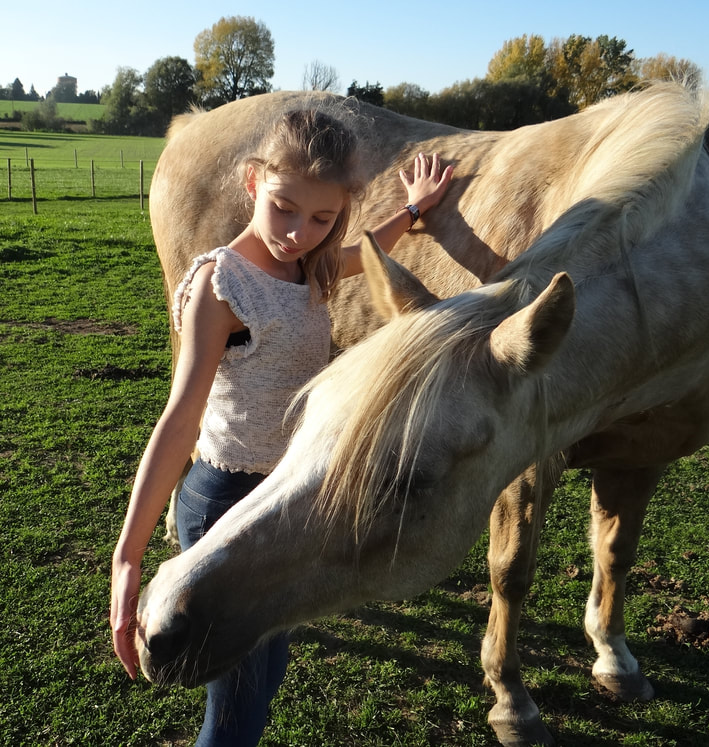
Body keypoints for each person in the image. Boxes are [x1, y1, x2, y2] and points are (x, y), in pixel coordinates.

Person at [110, 108, 453, 746]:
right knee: (235, 710)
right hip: (222, 501)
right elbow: (181, 415)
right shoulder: (221, 283)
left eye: (322, 217)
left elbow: (355, 257)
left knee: (265, 679)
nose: (298, 233)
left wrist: (414, 209)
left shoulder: (308, 266)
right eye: (284, 207)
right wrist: (129, 555)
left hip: (284, 502)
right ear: (252, 182)